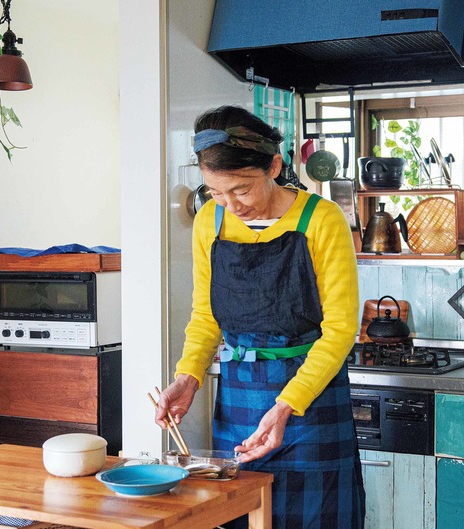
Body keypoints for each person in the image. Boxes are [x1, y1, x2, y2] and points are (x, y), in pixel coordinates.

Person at [155, 105, 365, 529]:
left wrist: (288, 404)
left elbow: (341, 329)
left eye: (242, 189)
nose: (231, 204)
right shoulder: (209, 223)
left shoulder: (320, 220)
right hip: (239, 397)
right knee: (241, 516)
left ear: (273, 165)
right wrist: (188, 376)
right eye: (216, 192)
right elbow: (206, 315)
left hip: (311, 398)